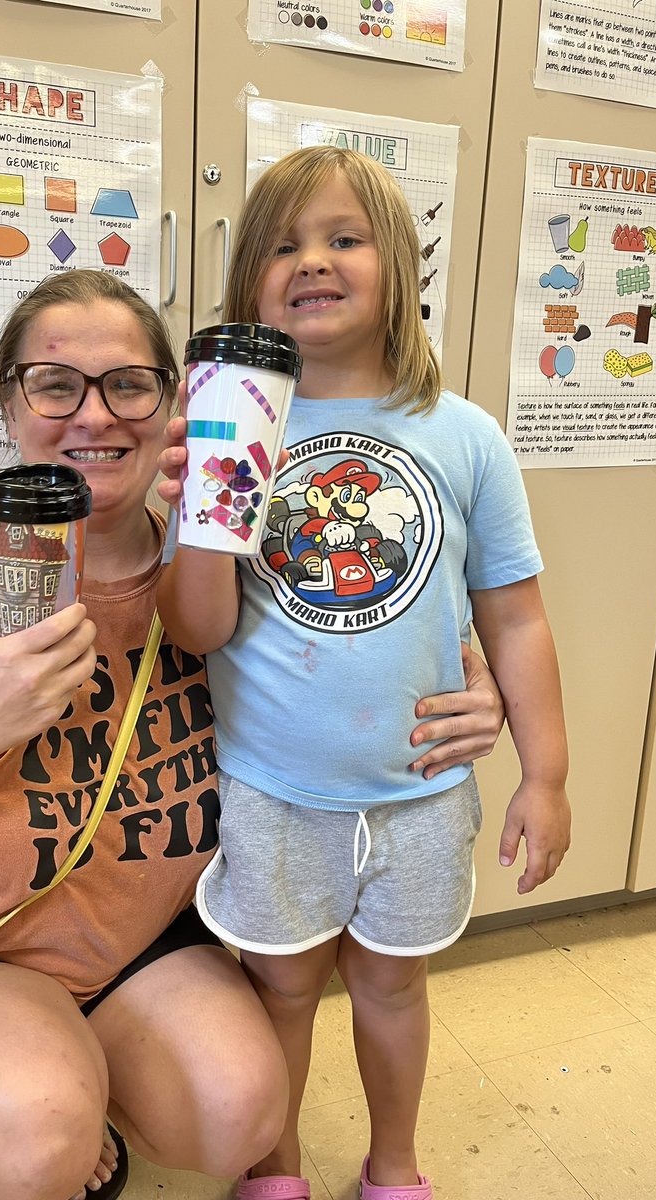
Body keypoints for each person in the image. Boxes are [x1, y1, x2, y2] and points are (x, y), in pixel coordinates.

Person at [0, 269, 505, 1200]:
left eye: (128, 384)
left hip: (131, 944)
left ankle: (57, 1073)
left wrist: (473, 689)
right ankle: (6, 1113)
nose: (96, 416)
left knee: (242, 1110)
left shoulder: (218, 569)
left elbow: (373, 641)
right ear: (10, 403)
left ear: (175, 404)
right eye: (56, 384)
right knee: (27, 1131)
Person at [157, 148, 572, 1200]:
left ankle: (394, 1165)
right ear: (248, 276)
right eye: (285, 245)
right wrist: (208, 502)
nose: (314, 260)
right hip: (275, 788)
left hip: (421, 790)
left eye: (345, 238)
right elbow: (198, 628)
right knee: (283, 994)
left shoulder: (466, 435)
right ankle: (277, 1167)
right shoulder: (232, 433)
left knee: (392, 990)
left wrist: (546, 774)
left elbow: (515, 616)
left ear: (397, 266)